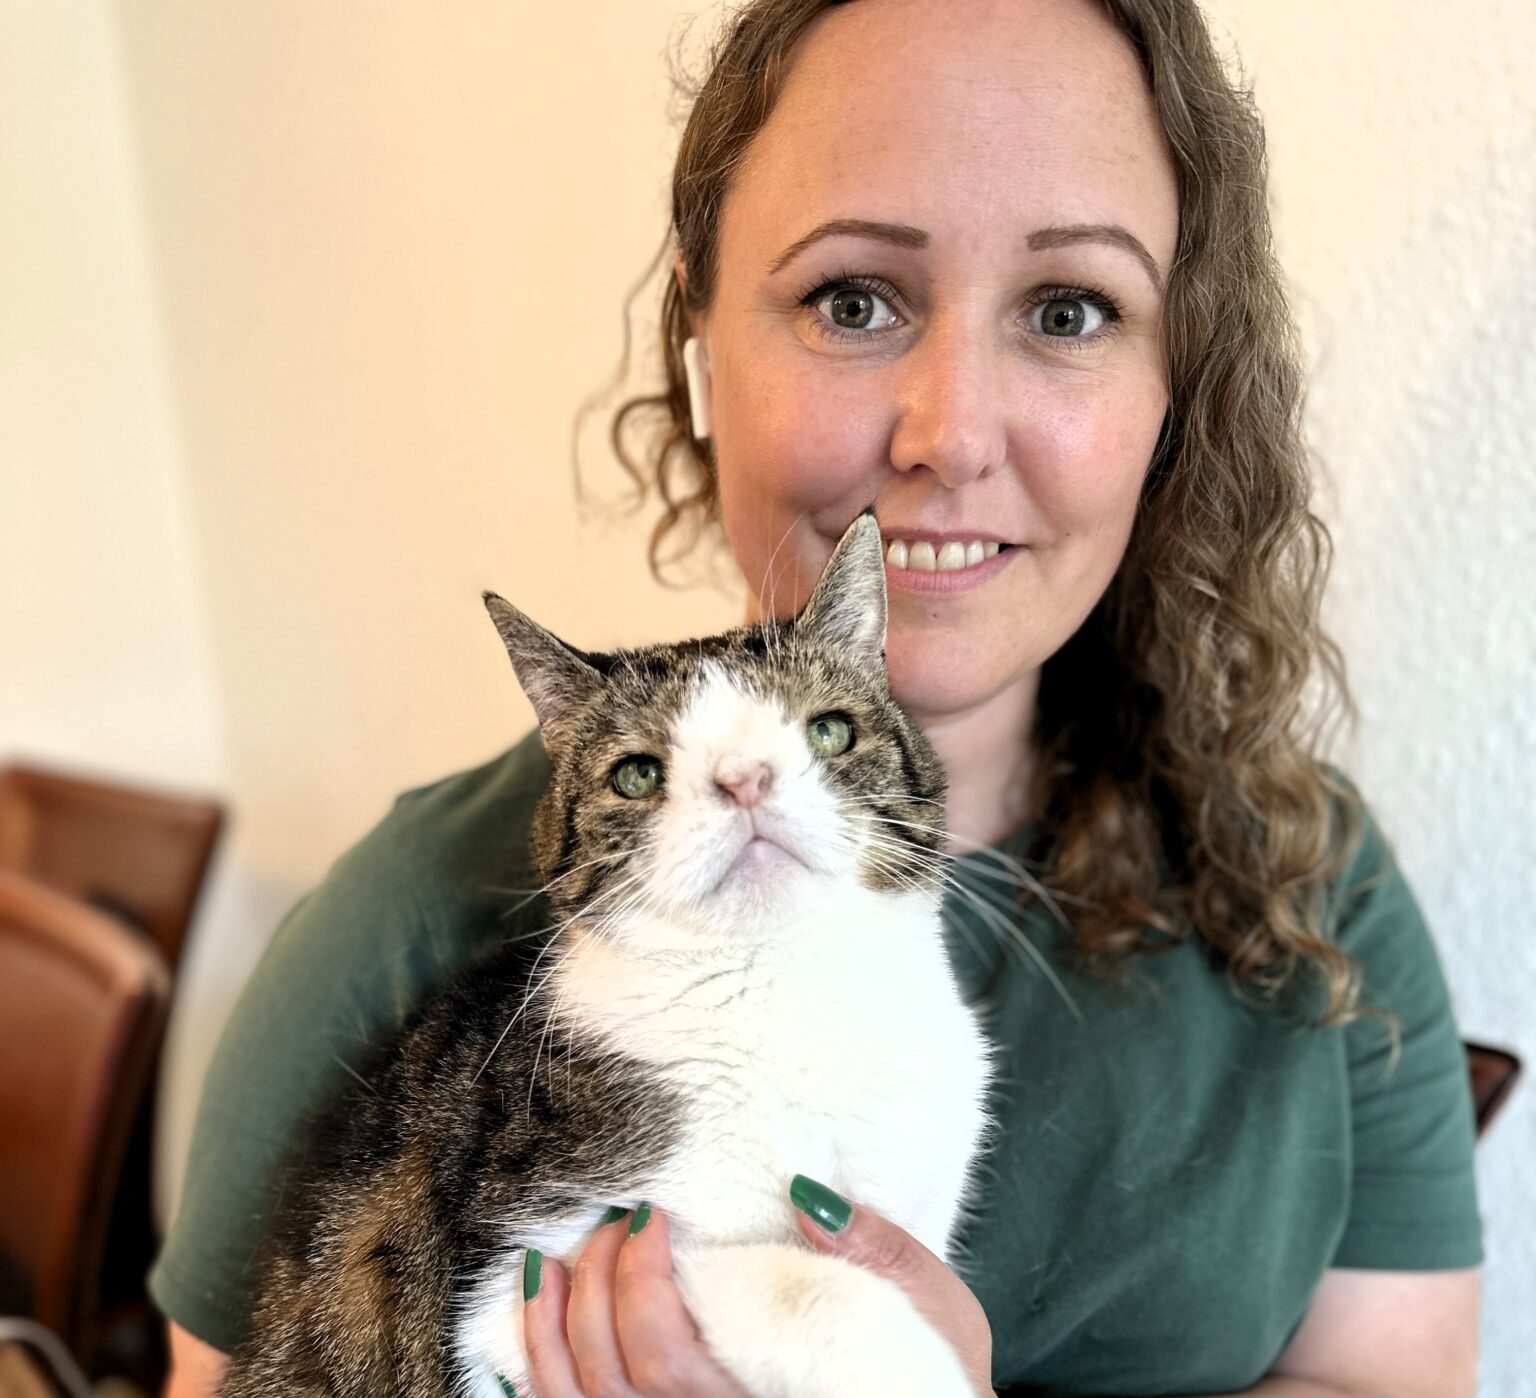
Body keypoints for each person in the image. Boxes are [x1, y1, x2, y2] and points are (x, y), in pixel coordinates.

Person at [152, 0, 1483, 1394]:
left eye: (1070, 309)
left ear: (1176, 388)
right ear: (701, 341)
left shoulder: (1300, 875)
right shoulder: (410, 917)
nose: (951, 434)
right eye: (852, 300)